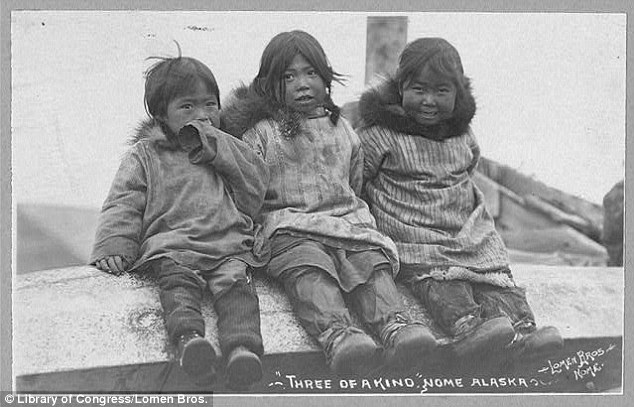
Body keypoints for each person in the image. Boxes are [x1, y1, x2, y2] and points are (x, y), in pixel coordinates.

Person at [220, 30, 437, 376]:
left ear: (326, 76)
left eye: (311, 73)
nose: (302, 84)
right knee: (310, 270)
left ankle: (396, 326)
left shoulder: (342, 129)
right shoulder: (262, 132)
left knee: (370, 265)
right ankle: (338, 334)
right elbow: (247, 189)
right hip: (290, 227)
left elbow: (353, 181)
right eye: (288, 77)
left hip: (346, 222)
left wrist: (352, 216)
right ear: (269, 84)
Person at [356, 37, 563, 362]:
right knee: (443, 283)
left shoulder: (462, 135)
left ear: (458, 93)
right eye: (419, 89)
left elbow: (468, 169)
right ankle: (469, 330)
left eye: (442, 91)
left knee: (496, 282)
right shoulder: (379, 135)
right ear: (400, 88)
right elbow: (355, 179)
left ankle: (523, 332)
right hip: (415, 234)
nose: (429, 100)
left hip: (466, 232)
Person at [90, 54, 269, 388]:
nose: (202, 115)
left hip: (227, 244)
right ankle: (190, 341)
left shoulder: (226, 147)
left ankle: (242, 349)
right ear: (162, 114)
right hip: (173, 246)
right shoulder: (146, 154)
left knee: (238, 290)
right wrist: (115, 243)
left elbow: (255, 185)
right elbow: (124, 201)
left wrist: (218, 147)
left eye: (209, 105)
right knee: (177, 287)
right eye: (187, 107)